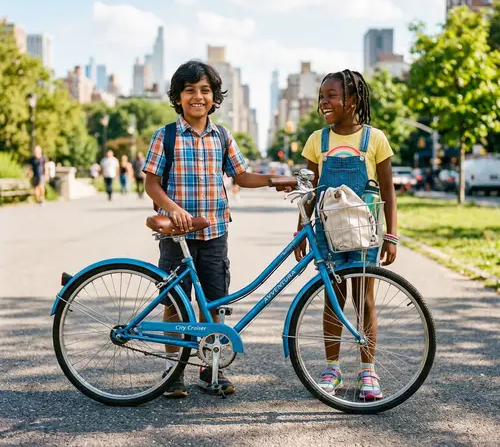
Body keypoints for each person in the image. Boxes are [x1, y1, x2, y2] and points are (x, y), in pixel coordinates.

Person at [143, 59, 290, 398]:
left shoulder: (222, 136)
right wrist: (174, 210)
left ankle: (210, 369)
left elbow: (241, 175)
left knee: (215, 304)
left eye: (205, 90)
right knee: (175, 305)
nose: (198, 97)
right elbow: (152, 185)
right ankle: (173, 370)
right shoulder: (165, 136)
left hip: (214, 233)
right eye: (190, 91)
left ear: (215, 97)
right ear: (178, 97)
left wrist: (273, 180)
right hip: (176, 236)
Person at [295, 69, 398, 401]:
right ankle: (332, 367)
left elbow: (388, 191)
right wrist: (301, 229)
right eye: (321, 96)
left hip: (364, 231)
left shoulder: (375, 139)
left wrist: (392, 235)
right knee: (333, 297)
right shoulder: (317, 140)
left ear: (353, 99)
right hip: (328, 231)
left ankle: (368, 370)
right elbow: (308, 192)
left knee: (364, 299)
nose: (324, 102)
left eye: (332, 95)